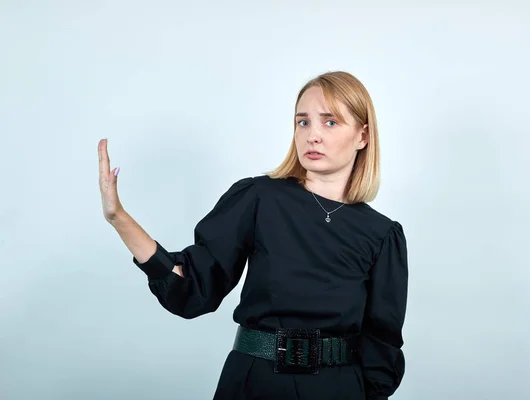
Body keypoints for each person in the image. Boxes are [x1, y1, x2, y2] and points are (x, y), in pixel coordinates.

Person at [98, 71, 409, 400]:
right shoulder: (257, 198)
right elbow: (192, 288)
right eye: (303, 122)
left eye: (330, 122)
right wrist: (119, 218)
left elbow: (382, 349)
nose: (312, 135)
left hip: (338, 389)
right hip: (255, 383)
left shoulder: (382, 233)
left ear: (363, 135)